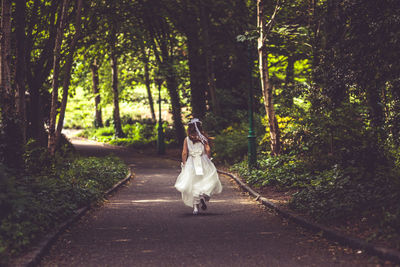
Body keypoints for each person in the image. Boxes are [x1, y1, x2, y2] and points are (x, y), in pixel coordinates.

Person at [174, 118, 223, 215]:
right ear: (200, 127)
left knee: (192, 183)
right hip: (203, 160)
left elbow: (184, 153)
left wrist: (184, 163)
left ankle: (195, 208)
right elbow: (208, 150)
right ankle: (202, 195)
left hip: (191, 163)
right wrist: (208, 158)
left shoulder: (187, 139)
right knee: (206, 179)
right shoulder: (203, 138)